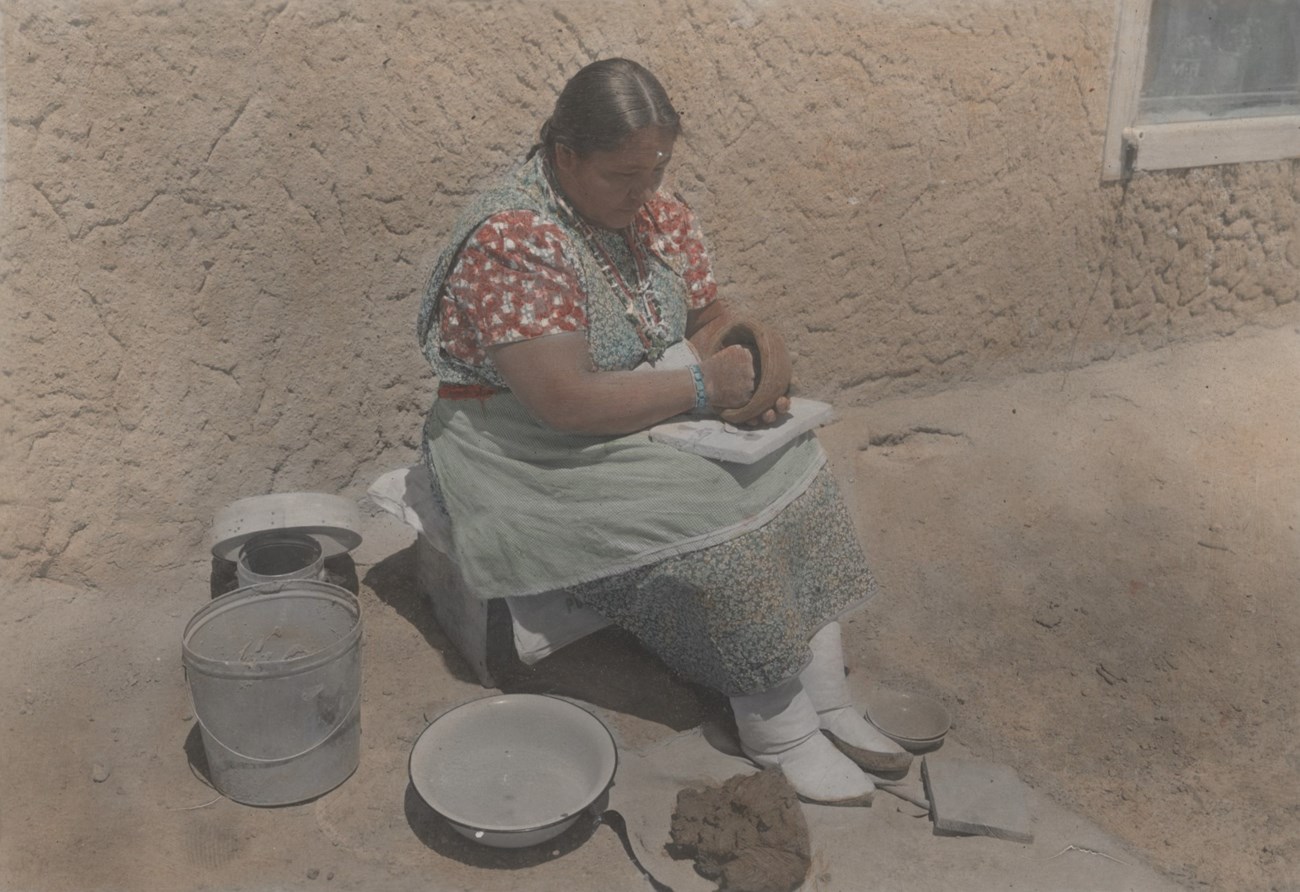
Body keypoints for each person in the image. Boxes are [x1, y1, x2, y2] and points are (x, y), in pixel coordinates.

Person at [416, 58, 910, 804]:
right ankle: (779, 728)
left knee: (797, 470)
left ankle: (827, 697)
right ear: (565, 156)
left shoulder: (653, 212)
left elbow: (703, 314)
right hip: (526, 445)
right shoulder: (516, 239)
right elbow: (564, 402)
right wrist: (703, 388)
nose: (644, 190)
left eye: (657, 169)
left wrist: (742, 353)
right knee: (721, 522)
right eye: (622, 175)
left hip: (644, 410)